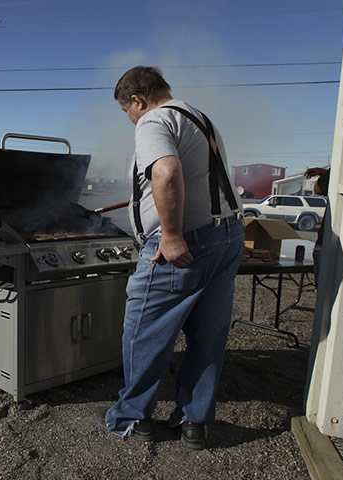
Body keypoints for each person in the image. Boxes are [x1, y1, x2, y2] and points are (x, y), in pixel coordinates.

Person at [96, 66, 245, 450]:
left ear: (137, 100)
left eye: (127, 111)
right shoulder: (198, 117)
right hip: (226, 236)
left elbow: (166, 170)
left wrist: (173, 235)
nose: (130, 119)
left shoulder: (153, 120)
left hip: (186, 245)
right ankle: (193, 423)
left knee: (144, 330)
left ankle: (132, 417)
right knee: (207, 335)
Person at [304, 166, 330, 285]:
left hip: (326, 245)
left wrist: (328, 173)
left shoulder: (339, 172)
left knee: (325, 295)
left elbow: (318, 189)